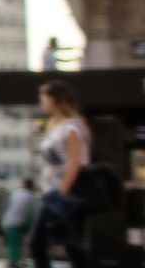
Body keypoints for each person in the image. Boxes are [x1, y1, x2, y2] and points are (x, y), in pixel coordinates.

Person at [29, 81, 89, 268]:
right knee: (72, 246)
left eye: (44, 98)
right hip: (53, 192)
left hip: (63, 193)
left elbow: (75, 162)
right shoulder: (54, 125)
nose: (41, 102)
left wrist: (60, 193)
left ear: (55, 100)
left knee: (37, 243)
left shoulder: (72, 127)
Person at [1, 178, 38, 268]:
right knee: (17, 245)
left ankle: (15, 262)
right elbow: (36, 213)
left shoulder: (15, 193)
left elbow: (6, 207)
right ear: (32, 187)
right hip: (17, 223)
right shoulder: (31, 196)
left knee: (12, 245)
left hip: (7, 221)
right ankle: (17, 262)